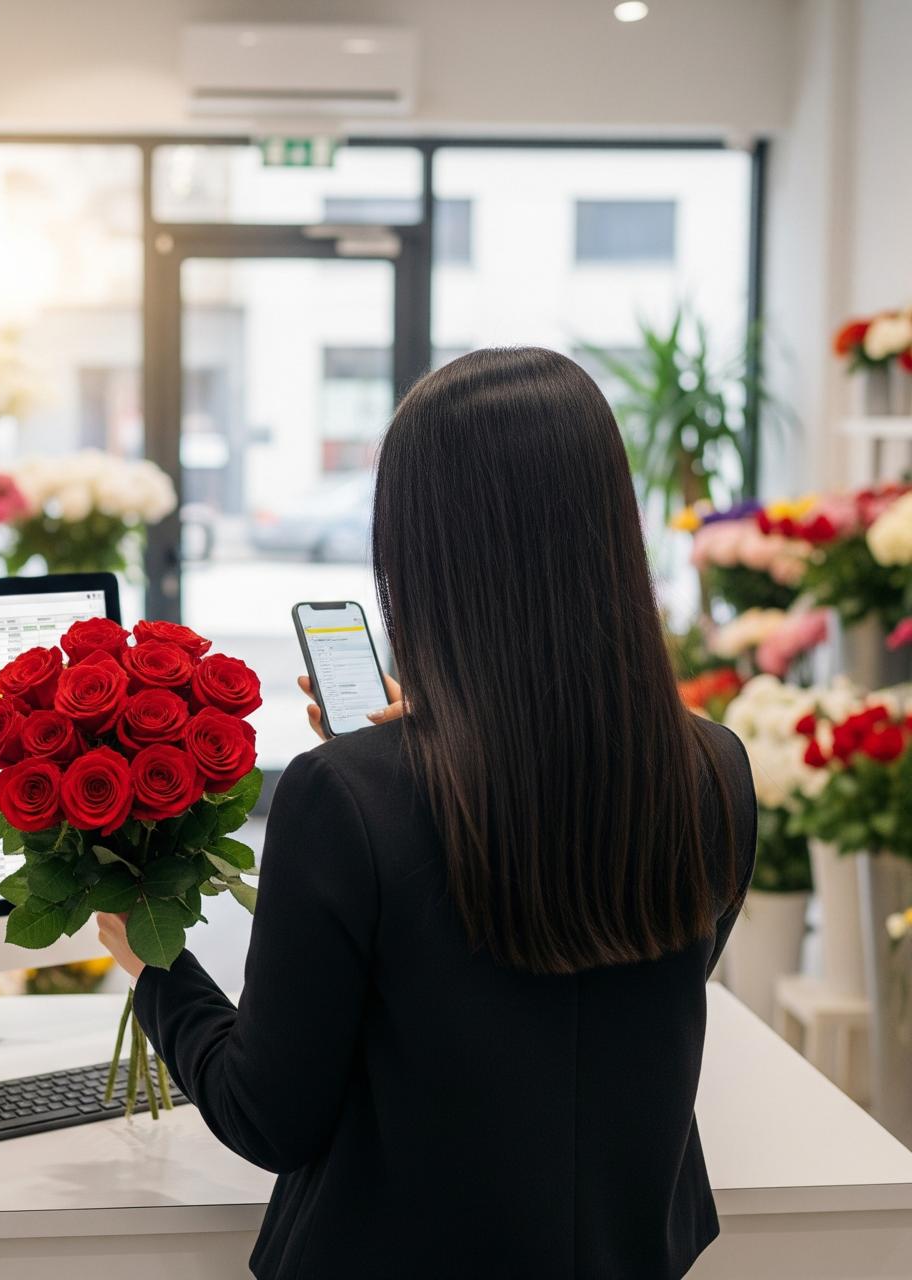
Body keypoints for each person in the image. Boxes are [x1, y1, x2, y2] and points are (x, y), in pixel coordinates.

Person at [97, 347, 756, 1279]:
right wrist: (451, 745)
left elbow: (268, 1115)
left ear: (418, 548)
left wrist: (153, 966)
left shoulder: (346, 797)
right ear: (610, 528)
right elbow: (595, 996)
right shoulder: (714, 769)